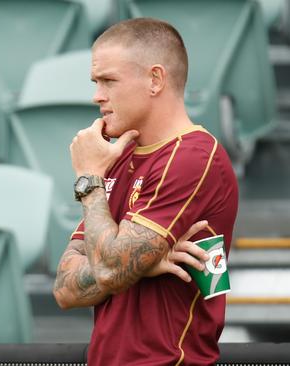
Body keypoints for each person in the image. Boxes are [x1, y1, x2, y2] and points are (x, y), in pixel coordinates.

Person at [53, 17, 238, 365]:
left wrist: (89, 179)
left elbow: (109, 268)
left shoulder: (193, 157)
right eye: (96, 82)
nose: (97, 96)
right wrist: (138, 265)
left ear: (155, 80)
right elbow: (64, 288)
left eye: (109, 81)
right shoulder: (117, 158)